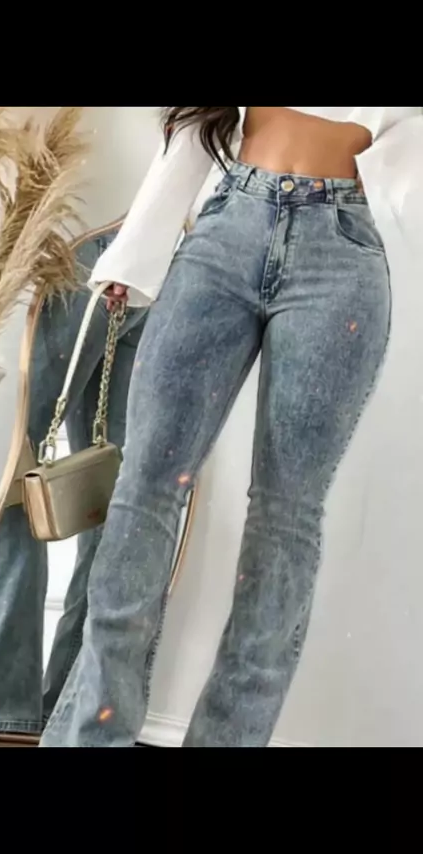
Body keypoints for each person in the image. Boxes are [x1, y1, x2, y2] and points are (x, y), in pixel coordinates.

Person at [40, 107, 420, 748]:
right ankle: (90, 737)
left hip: (343, 250)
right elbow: (198, 125)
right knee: (144, 491)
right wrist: (138, 252)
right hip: (227, 228)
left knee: (286, 518)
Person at [0, 231, 147, 735]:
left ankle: (10, 707)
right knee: (109, 491)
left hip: (85, 254)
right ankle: (68, 710)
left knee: (18, 475)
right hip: (150, 264)